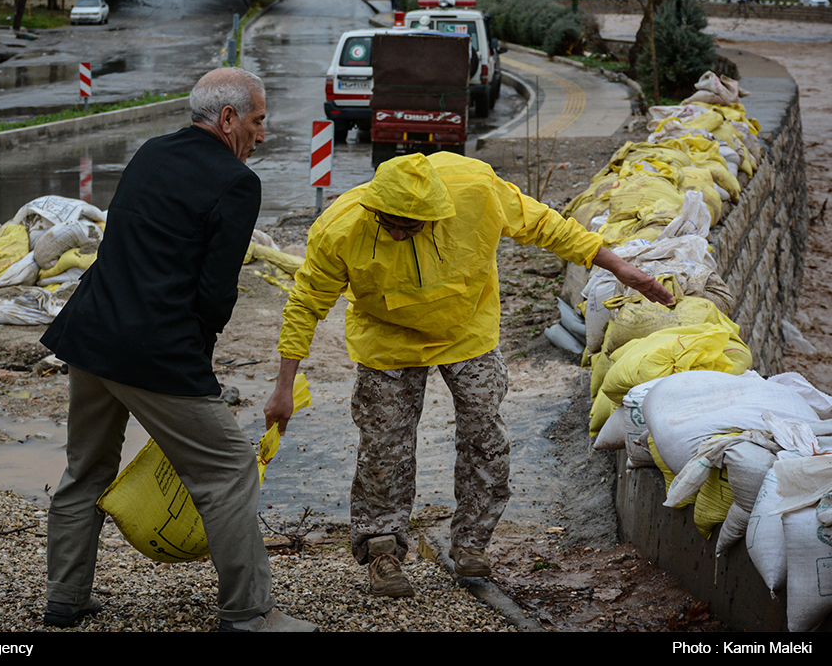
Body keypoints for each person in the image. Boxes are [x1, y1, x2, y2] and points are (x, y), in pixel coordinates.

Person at [264, 152, 672, 598]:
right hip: (387, 340)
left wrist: (617, 266)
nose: (399, 232)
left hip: (467, 330)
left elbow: (545, 225)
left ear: (437, 212)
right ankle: (382, 551)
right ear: (373, 207)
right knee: (384, 448)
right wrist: (284, 388)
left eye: (412, 225)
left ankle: (473, 543)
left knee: (485, 435)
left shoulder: (477, 189)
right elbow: (306, 304)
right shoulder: (339, 228)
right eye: (389, 223)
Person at [40, 67, 317, 632]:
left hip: (90, 335)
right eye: (259, 121)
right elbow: (217, 291)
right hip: (156, 351)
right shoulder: (237, 182)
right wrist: (198, 358)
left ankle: (64, 600)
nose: (261, 135)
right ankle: (248, 614)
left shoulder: (150, 152)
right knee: (230, 470)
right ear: (229, 118)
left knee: (84, 470)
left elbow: (127, 242)